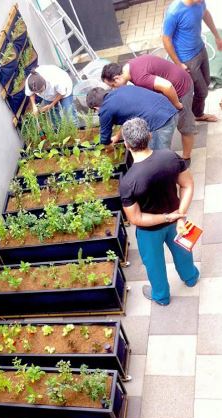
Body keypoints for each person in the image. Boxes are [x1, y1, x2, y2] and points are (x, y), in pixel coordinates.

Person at [119, 117, 199, 306]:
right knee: (184, 252)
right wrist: (179, 216)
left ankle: (161, 296)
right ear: (149, 136)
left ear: (126, 144)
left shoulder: (128, 182)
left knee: (154, 265)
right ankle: (191, 277)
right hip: (177, 221)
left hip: (150, 232)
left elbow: (136, 218)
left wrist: (166, 217)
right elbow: (187, 186)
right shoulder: (170, 156)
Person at [101, 56, 194, 164]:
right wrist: (118, 136)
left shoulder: (139, 77)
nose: (114, 89)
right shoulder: (129, 66)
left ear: (117, 78)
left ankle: (186, 158)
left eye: (113, 85)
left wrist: (176, 104)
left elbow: (167, 86)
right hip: (176, 81)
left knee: (185, 127)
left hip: (181, 89)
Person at [163, 0, 222, 123]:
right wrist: (179, 64)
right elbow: (166, 40)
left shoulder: (200, 2)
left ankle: (196, 111)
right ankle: (197, 114)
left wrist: (217, 36)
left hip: (201, 49)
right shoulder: (174, 12)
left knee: (205, 84)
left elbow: (205, 14)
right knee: (202, 92)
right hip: (187, 59)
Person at [86, 85, 178, 149]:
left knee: (158, 156)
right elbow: (129, 119)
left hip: (160, 122)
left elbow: (104, 139)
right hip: (168, 108)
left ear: (96, 107)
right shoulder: (122, 90)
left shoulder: (105, 109)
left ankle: (172, 174)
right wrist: (117, 137)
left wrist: (108, 148)